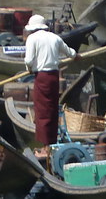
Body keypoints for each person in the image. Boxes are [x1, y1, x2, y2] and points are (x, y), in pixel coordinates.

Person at [22, 13, 76, 158]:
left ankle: (46, 149)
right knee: (51, 109)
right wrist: (76, 55)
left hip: (42, 78)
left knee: (42, 111)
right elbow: (70, 53)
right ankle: (50, 144)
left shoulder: (32, 39)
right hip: (54, 77)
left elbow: (28, 61)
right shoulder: (55, 38)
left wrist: (29, 70)